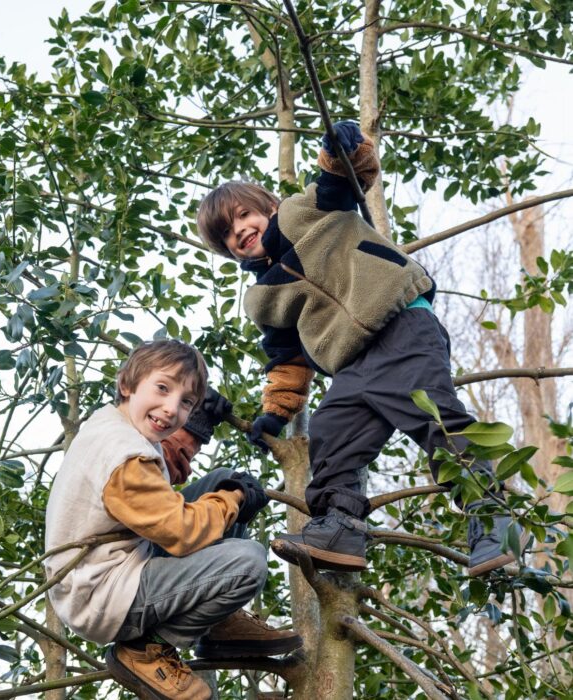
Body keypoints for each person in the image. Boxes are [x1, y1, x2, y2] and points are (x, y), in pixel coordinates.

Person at [196, 122, 526, 577]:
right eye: (228, 235)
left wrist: (345, 150)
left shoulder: (300, 213)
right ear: (228, 252)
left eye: (243, 216)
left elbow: (344, 181)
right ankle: (340, 527)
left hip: (400, 325)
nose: (240, 231)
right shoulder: (262, 298)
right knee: (331, 436)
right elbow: (287, 361)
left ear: (268, 207)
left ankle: (490, 516)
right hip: (351, 365)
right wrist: (275, 412)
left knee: (432, 419)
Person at [44, 339, 302, 700]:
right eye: (162, 389)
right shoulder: (125, 458)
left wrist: (211, 459)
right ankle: (146, 648)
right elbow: (178, 531)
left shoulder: (115, 423)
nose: (170, 409)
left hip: (119, 567)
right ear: (127, 384)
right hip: (103, 597)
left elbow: (161, 481)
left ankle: (215, 624)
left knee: (222, 480)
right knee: (247, 561)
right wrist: (234, 499)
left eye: (186, 402)